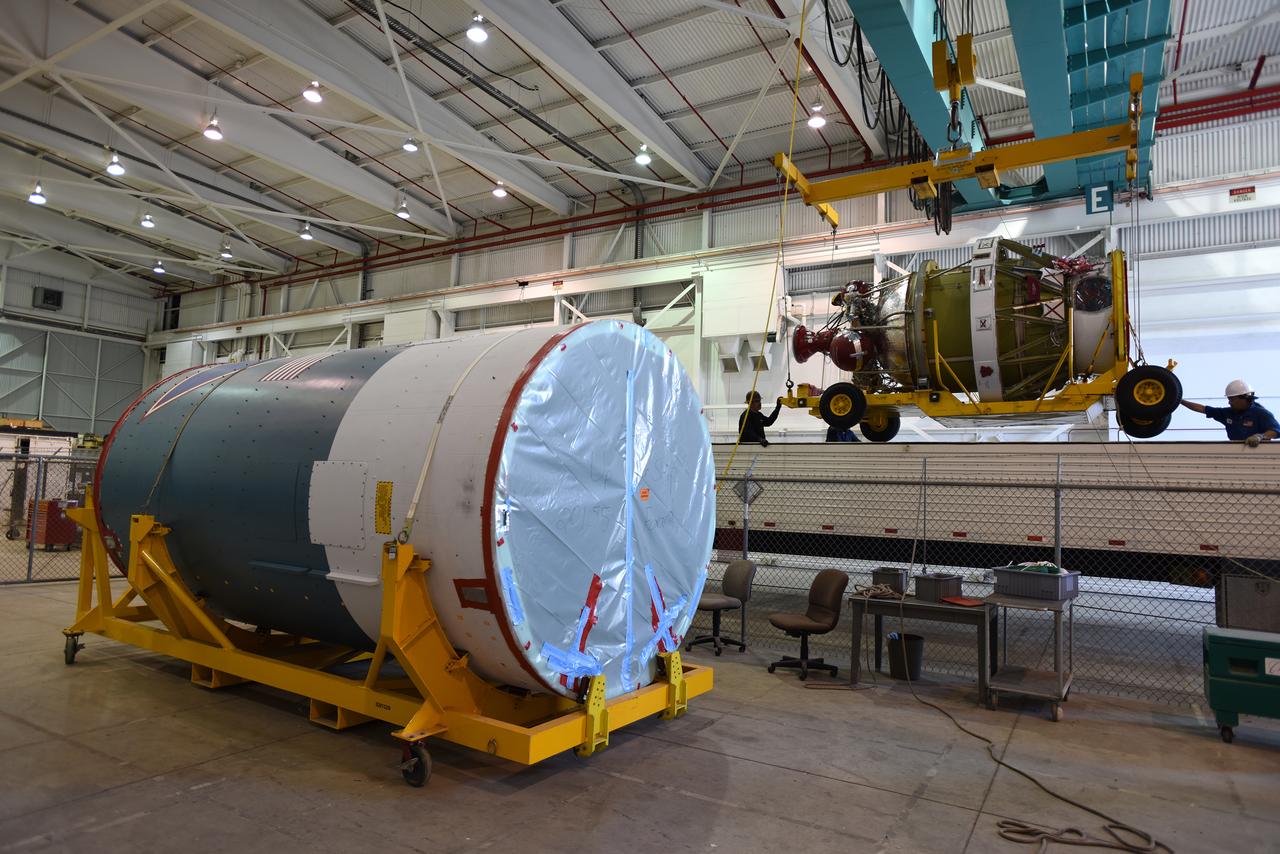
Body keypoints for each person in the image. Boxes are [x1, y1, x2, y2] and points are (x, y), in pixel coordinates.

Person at [1179, 379, 1278, 447]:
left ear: (1243, 398)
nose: (1229, 402)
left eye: (1231, 399)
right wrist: (1178, 400)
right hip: (1235, 451)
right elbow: (1202, 409)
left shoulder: (1261, 414)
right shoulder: (1227, 413)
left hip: (1258, 453)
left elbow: (1276, 430)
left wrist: (1260, 437)